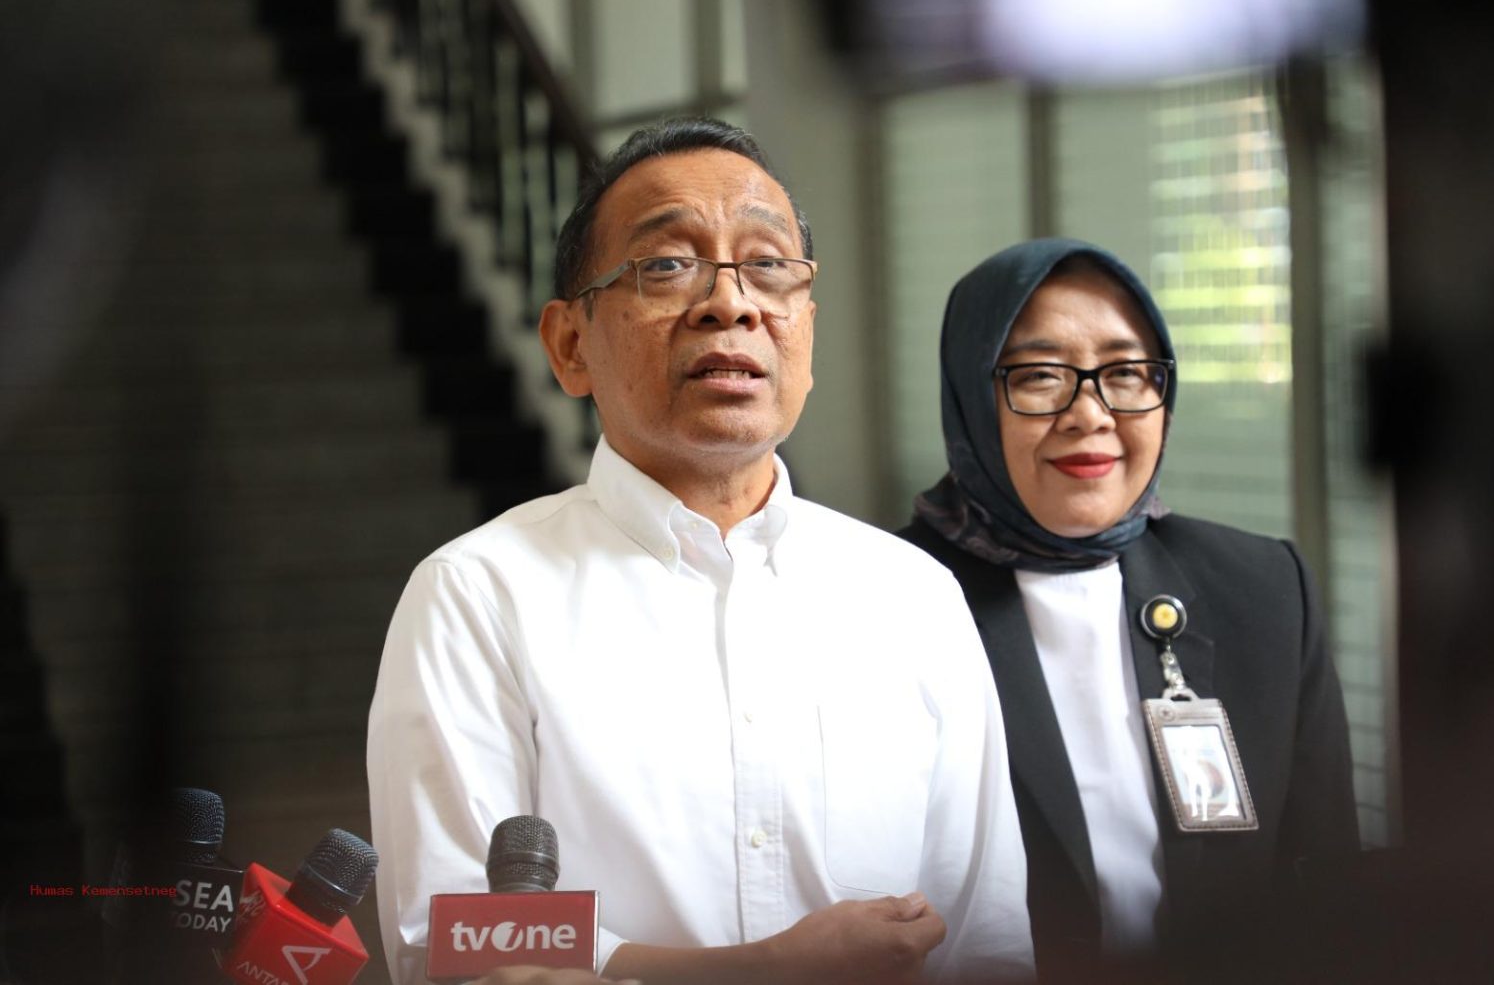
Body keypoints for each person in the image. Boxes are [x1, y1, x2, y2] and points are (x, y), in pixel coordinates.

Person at [367, 117, 1033, 985]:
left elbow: (987, 937)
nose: (733, 303)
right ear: (571, 345)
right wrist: (768, 968)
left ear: (806, 331)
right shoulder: (477, 595)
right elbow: (449, 944)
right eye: (668, 265)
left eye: (767, 265)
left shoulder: (912, 595)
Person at [898, 239, 1358, 983]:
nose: (1091, 414)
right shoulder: (885, 602)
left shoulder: (1266, 588)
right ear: (971, 392)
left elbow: (1328, 881)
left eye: (1125, 373)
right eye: (1042, 376)